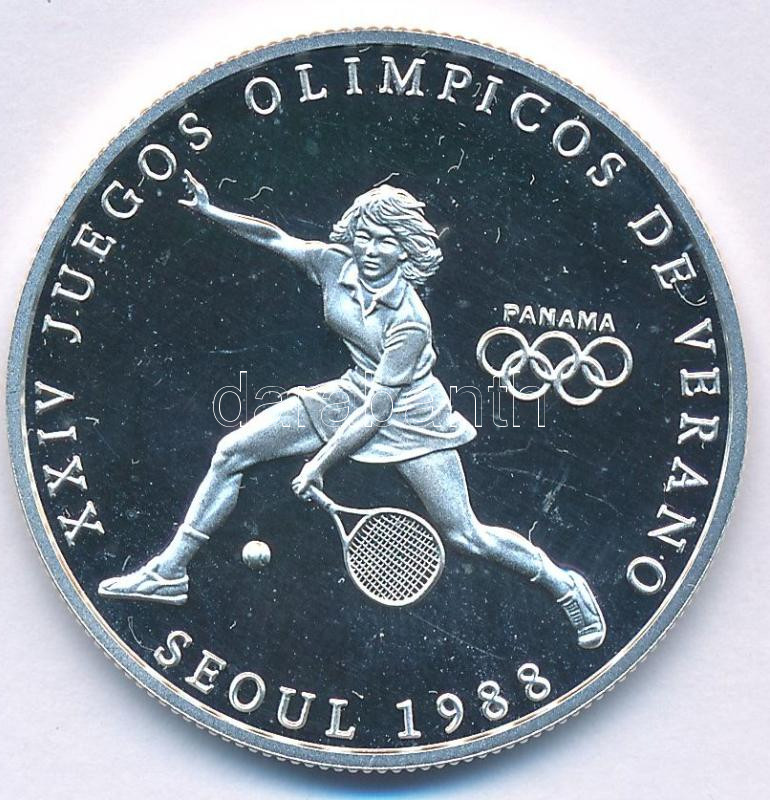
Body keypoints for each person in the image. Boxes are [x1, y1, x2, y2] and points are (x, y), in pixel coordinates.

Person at [98, 171, 606, 650]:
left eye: (385, 240)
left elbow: (376, 414)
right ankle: (170, 572)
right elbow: (274, 237)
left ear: (406, 250)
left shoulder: (411, 322)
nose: (370, 248)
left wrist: (318, 465)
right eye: (364, 235)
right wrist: (212, 211)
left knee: (466, 536)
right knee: (232, 451)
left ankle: (563, 585)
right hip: (351, 391)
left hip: (410, 417)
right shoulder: (332, 264)